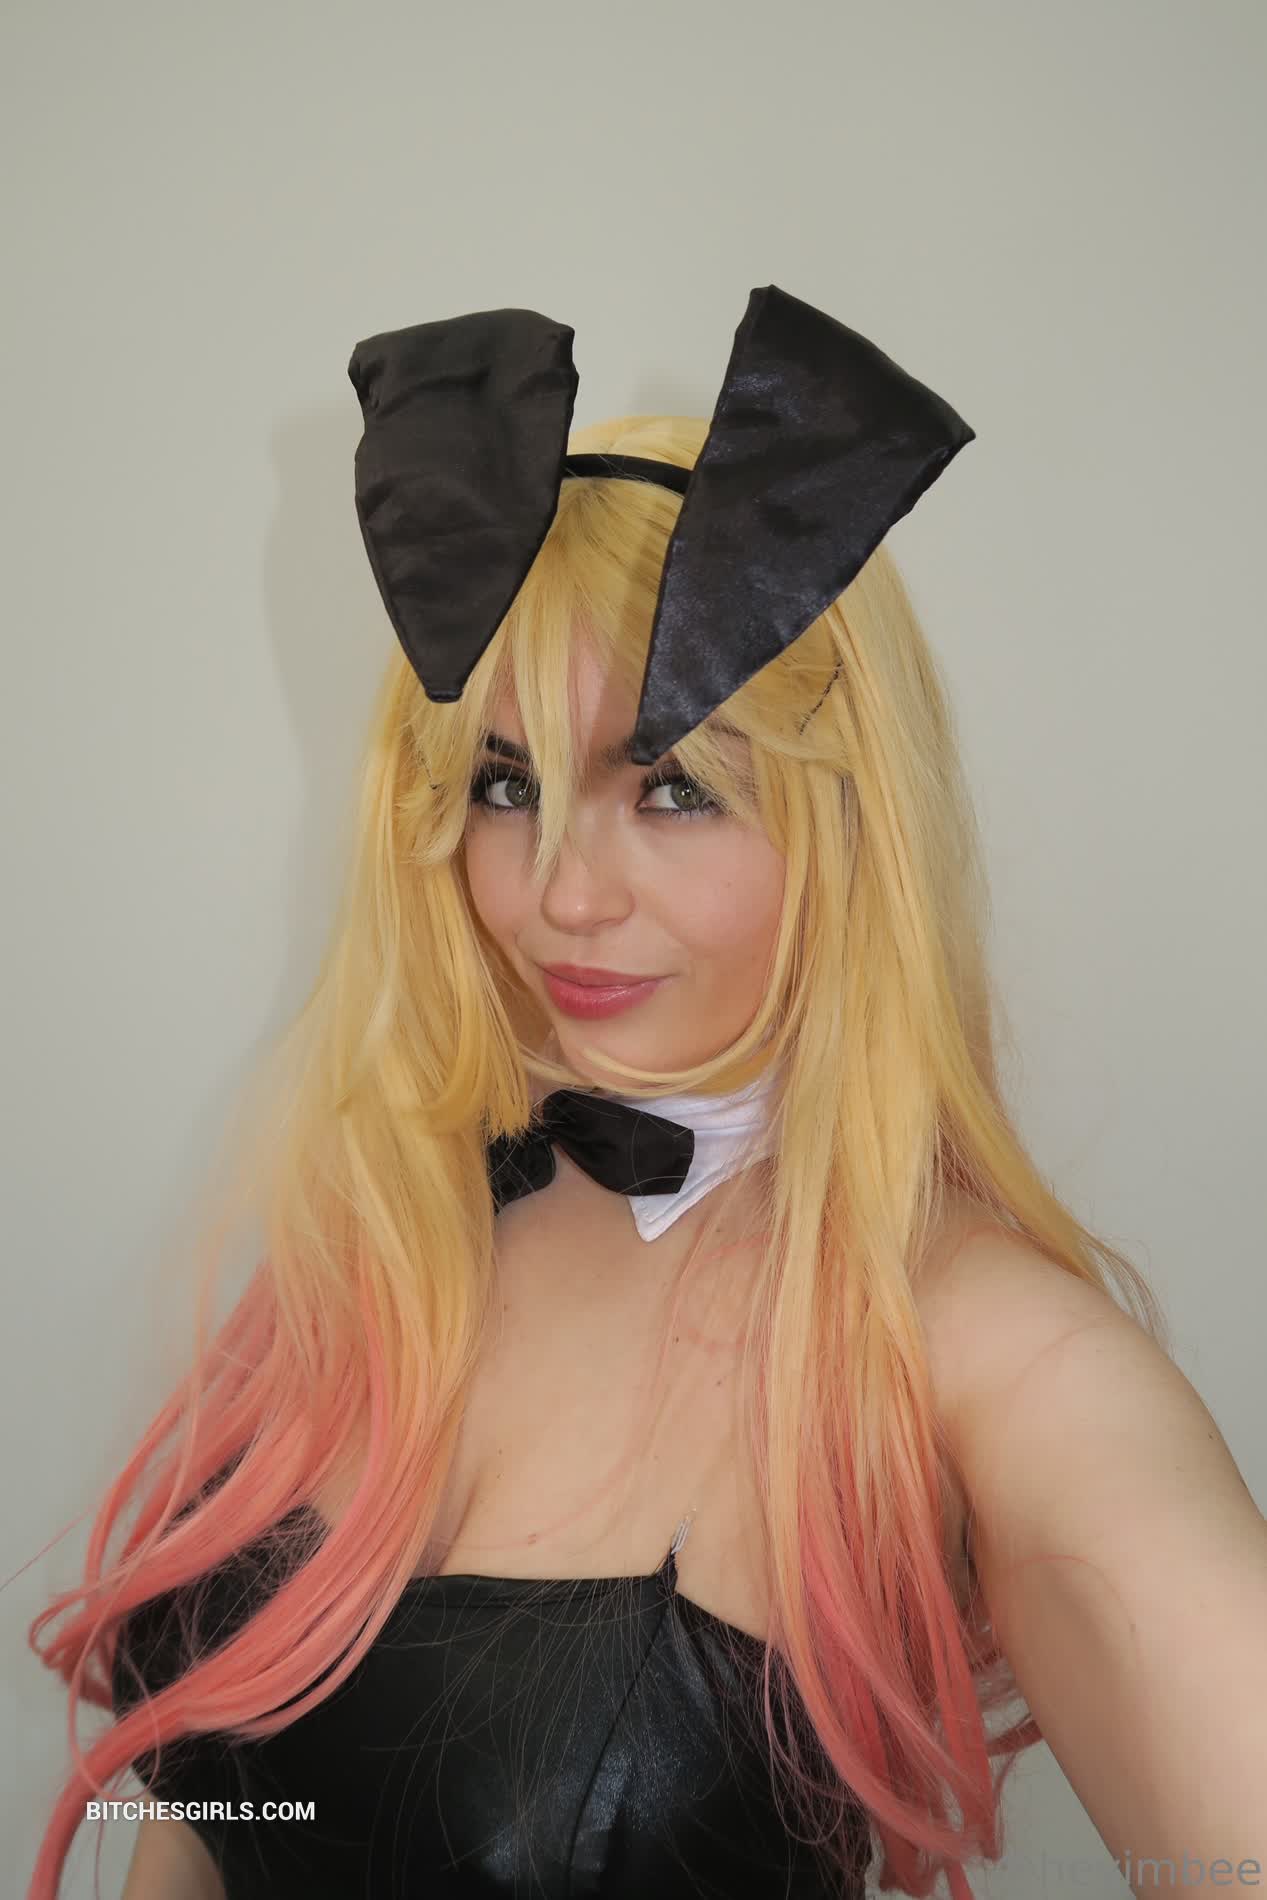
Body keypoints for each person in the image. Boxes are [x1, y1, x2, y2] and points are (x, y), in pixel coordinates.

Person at [27, 290, 1260, 1900]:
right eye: (506, 784)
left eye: (672, 788)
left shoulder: (985, 1357)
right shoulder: (386, 1243)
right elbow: (210, 1822)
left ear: (849, 830)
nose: (561, 894)